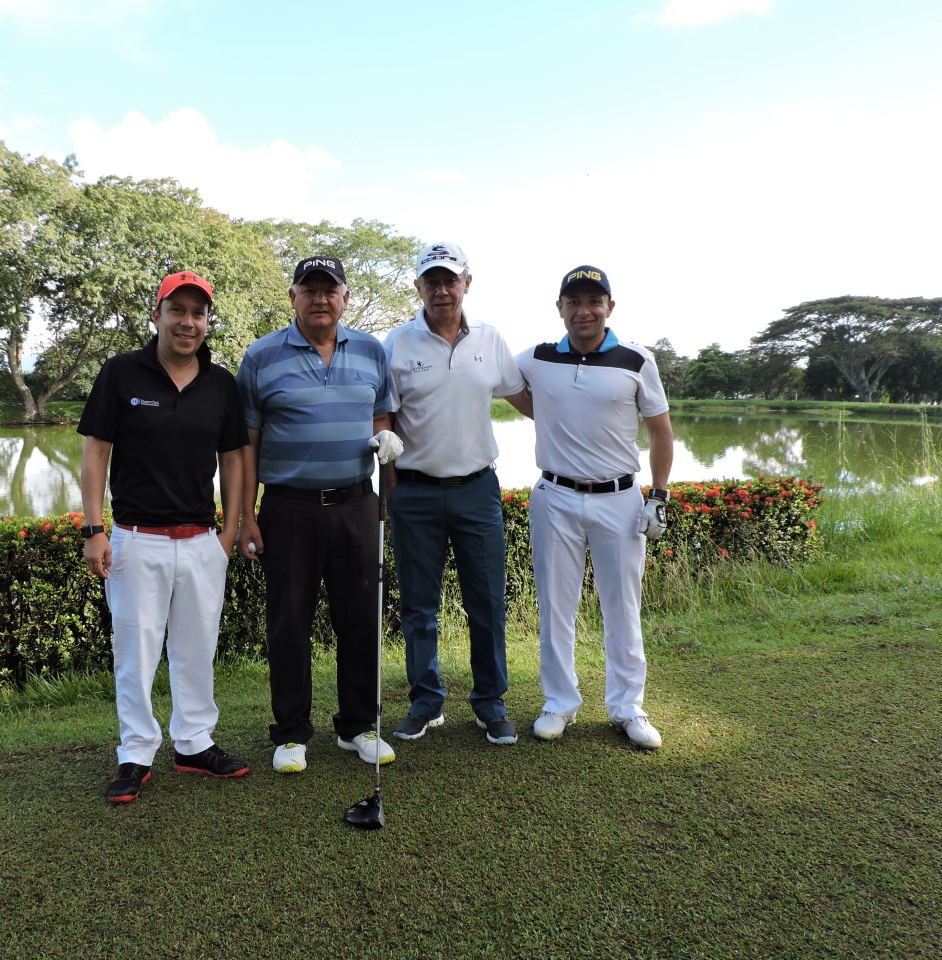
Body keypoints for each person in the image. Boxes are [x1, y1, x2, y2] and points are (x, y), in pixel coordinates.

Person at [78, 269, 250, 803]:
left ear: (206, 322)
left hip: (200, 542)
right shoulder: (121, 374)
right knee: (136, 651)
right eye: (177, 310)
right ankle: (135, 752)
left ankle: (194, 743)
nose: (188, 322)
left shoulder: (221, 384)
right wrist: (93, 529)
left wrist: (229, 532)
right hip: (135, 539)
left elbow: (235, 460)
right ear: (156, 315)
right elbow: (95, 453)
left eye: (198, 313)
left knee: (197, 650)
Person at [237, 254, 404, 774]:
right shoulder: (262, 356)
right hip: (288, 508)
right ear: (293, 298)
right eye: (309, 290)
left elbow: (382, 417)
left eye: (329, 290)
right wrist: (246, 515)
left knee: (359, 619)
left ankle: (357, 727)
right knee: (288, 622)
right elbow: (246, 445)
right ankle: (290, 733)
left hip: (357, 504)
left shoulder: (372, 350)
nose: (320, 298)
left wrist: (387, 467)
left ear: (344, 298)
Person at [515, 265, 674, 750]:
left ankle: (628, 707)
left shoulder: (636, 360)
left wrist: (659, 496)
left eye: (593, 302)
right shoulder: (538, 357)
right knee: (555, 607)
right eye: (573, 302)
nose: (583, 311)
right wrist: (548, 410)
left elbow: (661, 431)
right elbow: (502, 383)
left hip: (620, 500)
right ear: (559, 308)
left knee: (622, 607)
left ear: (609, 307)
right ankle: (559, 703)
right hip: (555, 497)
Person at [382, 242, 532, 746]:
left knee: (486, 602)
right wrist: (389, 474)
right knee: (419, 608)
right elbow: (384, 414)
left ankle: (491, 704)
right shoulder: (397, 343)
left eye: (450, 280)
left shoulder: (489, 341)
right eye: (431, 281)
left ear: (468, 282)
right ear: (418, 287)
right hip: (415, 493)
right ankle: (427, 702)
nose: (441, 290)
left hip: (476, 490)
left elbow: (524, 397)